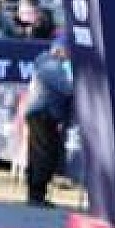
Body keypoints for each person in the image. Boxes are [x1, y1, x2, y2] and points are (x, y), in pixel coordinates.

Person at [24, 34, 74, 207]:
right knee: (43, 155)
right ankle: (37, 194)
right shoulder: (51, 66)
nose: (70, 56)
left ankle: (35, 193)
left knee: (38, 154)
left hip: (40, 112)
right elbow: (67, 89)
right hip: (43, 113)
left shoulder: (44, 62)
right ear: (60, 50)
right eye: (69, 52)